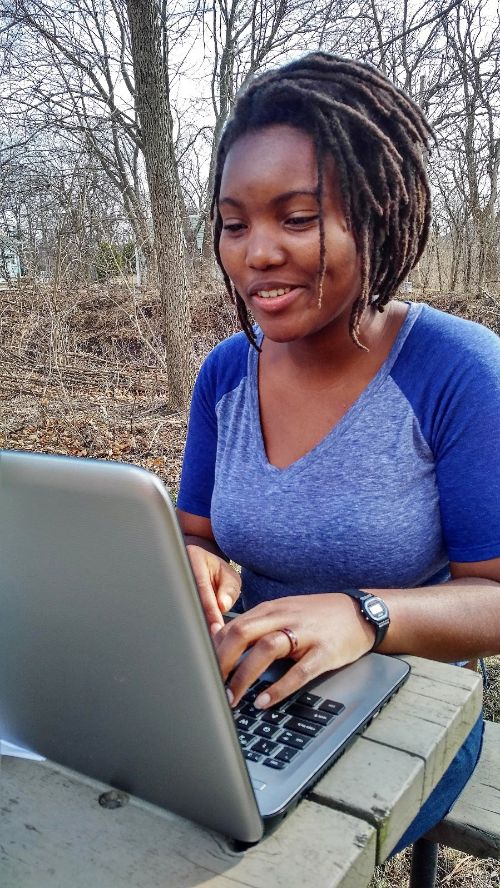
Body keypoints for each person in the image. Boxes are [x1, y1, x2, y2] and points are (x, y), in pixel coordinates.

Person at [176, 53, 500, 851]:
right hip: (238, 689)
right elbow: (196, 533)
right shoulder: (225, 374)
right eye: (234, 221)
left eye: (296, 217)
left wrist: (365, 615)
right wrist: (193, 563)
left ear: (376, 214)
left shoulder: (457, 371)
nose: (257, 253)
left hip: (406, 706)